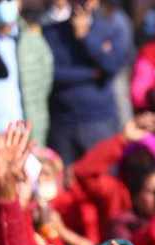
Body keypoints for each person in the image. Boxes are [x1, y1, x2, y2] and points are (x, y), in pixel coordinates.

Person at [0, 0, 53, 194]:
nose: (4, 4)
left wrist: (37, 135)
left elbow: (43, 88)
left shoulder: (33, 41)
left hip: (23, 140)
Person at [42, 0, 131, 164]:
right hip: (62, 123)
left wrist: (85, 37)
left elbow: (112, 66)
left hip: (99, 121)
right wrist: (91, 74)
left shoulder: (111, 27)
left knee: (102, 181)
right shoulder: (51, 33)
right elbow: (52, 75)